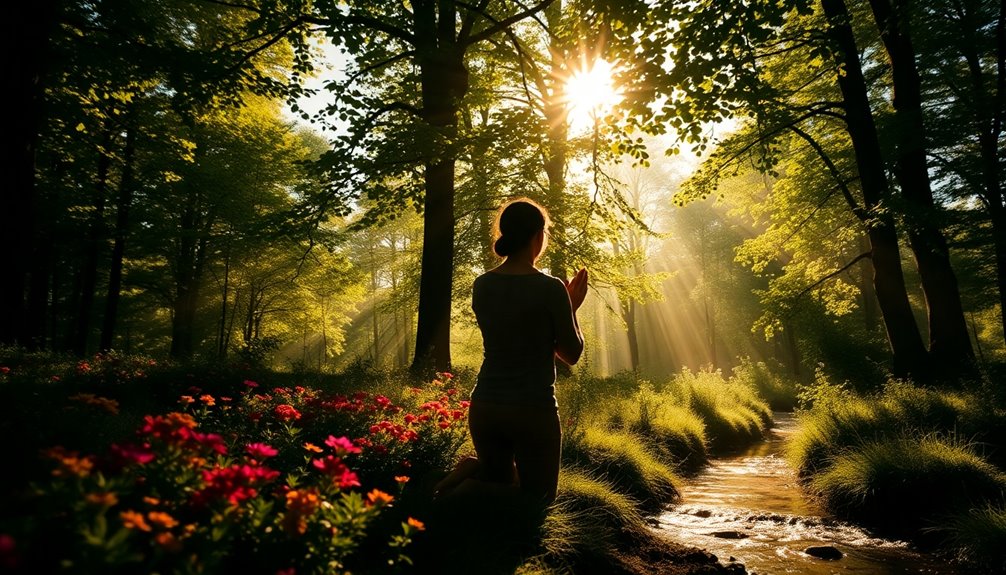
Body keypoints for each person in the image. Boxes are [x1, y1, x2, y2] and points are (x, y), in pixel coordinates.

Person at [435, 198, 587, 505]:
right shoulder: (550, 287)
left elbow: (515, 335)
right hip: (532, 407)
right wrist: (570, 308)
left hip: (486, 404)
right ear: (538, 236)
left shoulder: (483, 285)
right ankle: (458, 491)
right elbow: (570, 353)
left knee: (503, 480)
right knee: (539, 498)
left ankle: (470, 472)